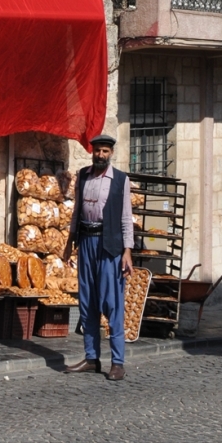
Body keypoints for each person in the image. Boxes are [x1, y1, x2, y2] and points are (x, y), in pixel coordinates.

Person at [62, 133, 134, 381]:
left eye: (105, 151)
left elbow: (126, 218)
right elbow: (76, 211)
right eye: (97, 151)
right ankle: (91, 357)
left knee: (112, 303)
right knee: (87, 301)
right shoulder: (83, 176)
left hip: (110, 246)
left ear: (111, 153)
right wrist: (70, 241)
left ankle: (118, 362)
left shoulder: (120, 180)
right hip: (86, 242)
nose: (101, 155)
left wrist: (127, 251)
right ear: (92, 152)